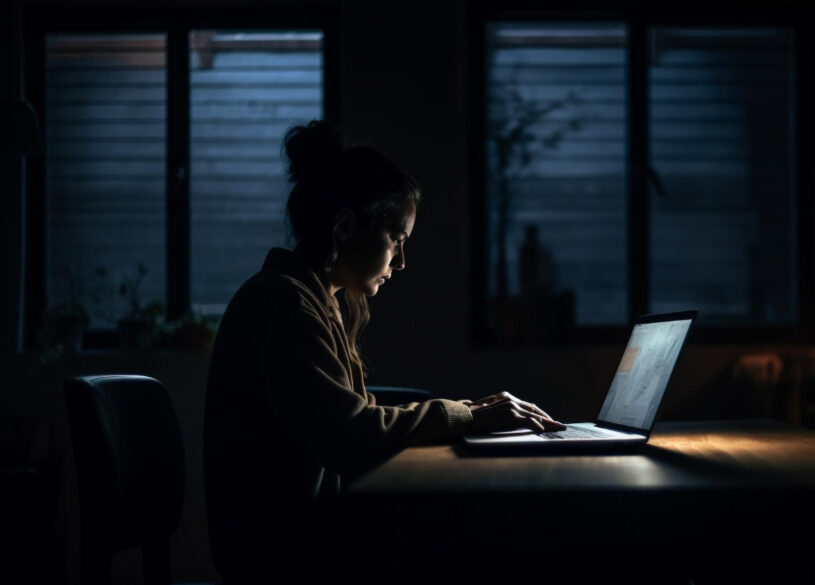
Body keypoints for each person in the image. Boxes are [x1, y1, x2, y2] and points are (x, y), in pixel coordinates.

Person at [203, 120, 564, 581]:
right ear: (346, 227)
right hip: (282, 553)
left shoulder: (313, 299)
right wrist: (466, 417)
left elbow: (347, 417)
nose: (402, 260)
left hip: (304, 534)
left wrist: (471, 410)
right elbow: (349, 434)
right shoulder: (285, 305)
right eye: (397, 238)